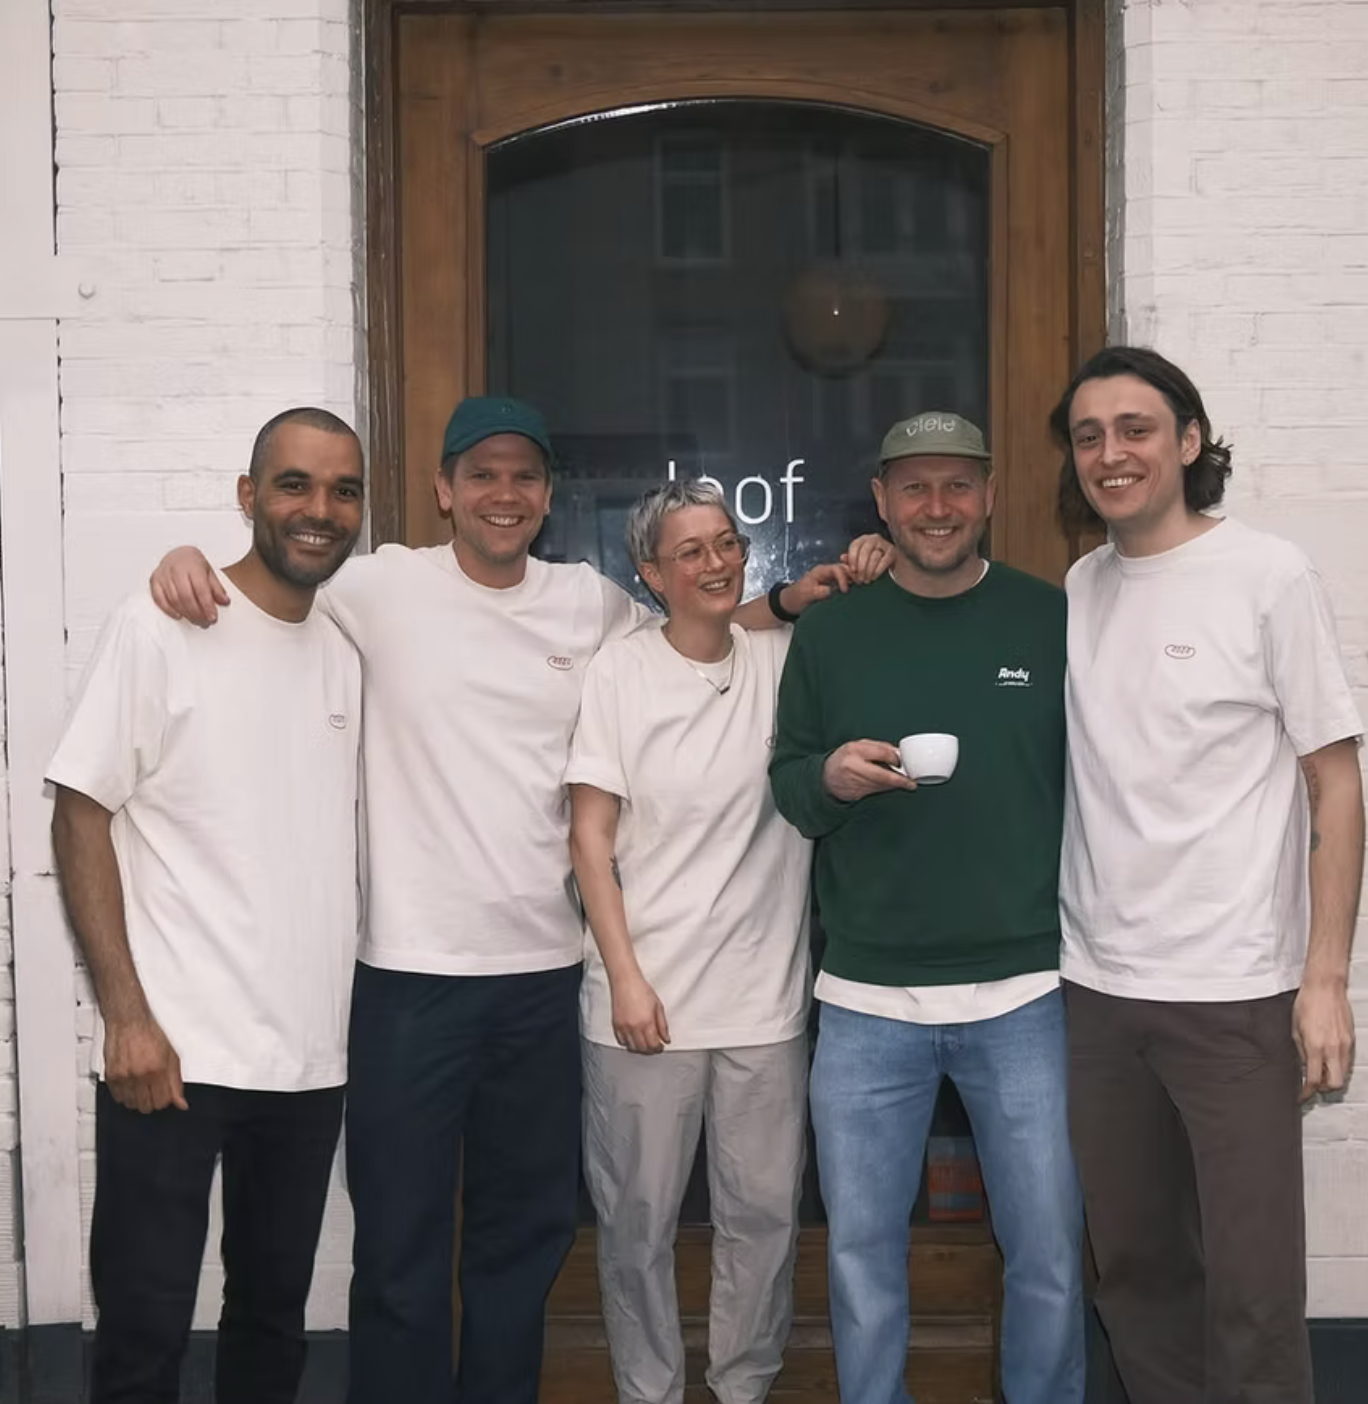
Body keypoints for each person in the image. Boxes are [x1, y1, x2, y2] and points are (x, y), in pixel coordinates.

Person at [149, 396, 865, 1404]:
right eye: (480, 473)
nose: (504, 492)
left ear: (545, 498)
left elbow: (698, 630)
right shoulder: (382, 587)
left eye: (524, 475)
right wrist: (186, 560)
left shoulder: (589, 605)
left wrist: (784, 605)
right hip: (405, 978)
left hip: (541, 978)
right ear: (444, 489)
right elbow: (276, 584)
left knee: (519, 1244)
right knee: (398, 1247)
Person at [1050, 345, 1365, 1404]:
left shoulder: (1268, 575)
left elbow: (1336, 784)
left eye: (1135, 429)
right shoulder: (1083, 584)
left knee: (1254, 1289)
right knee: (1135, 1276)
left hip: (1237, 995)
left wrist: (1323, 979)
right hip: (1097, 996)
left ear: (1188, 442)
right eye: (1089, 436)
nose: (1111, 453)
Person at [48, 408, 365, 1404]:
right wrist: (127, 1018)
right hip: (173, 1057)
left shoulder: (345, 652)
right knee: (142, 1331)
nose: (320, 510)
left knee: (271, 1326)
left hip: (307, 1063)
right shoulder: (164, 625)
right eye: (294, 485)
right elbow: (81, 810)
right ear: (248, 496)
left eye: (343, 490)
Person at [768, 412, 1084, 1404]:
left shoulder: (1052, 618)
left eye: (957, 485)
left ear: (990, 495)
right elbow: (790, 787)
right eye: (915, 487)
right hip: (866, 997)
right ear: (881, 502)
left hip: (1026, 989)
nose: (936, 508)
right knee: (862, 1260)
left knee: (1048, 1253)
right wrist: (835, 777)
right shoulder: (831, 630)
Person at [567, 480, 891, 1404]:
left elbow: (845, 617)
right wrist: (625, 979)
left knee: (763, 1219)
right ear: (650, 573)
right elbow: (590, 837)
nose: (716, 562)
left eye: (727, 542)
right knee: (638, 1225)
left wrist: (872, 561)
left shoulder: (783, 659)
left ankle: (744, 1385)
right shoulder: (620, 673)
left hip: (764, 1003)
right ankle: (650, 1391)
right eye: (691, 551)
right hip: (645, 1004)